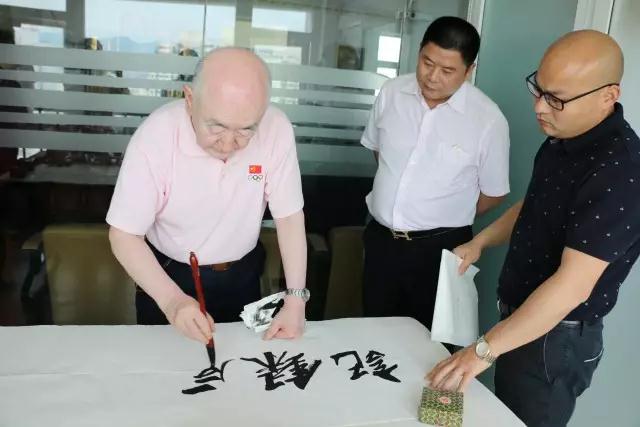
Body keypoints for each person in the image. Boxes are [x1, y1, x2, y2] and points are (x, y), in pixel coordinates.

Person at [426, 30, 640, 427]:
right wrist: (481, 241)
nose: (539, 107)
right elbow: (537, 205)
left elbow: (572, 287)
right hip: (521, 319)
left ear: (608, 96)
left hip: (556, 337)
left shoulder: (620, 171)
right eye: (538, 90)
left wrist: (481, 352)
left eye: (556, 98)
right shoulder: (563, 135)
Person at [107, 48, 309, 344]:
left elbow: (289, 216)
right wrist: (172, 301)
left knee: (243, 360)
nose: (228, 143)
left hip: (243, 274)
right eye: (216, 127)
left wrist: (295, 300)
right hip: (170, 276)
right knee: (166, 363)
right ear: (190, 99)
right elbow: (124, 234)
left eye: (246, 130)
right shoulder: (157, 135)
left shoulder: (276, 128)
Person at [361, 16, 509, 331]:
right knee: (374, 334)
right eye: (427, 63)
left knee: (433, 343)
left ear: (469, 70)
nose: (432, 77)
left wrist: (443, 212)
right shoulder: (391, 92)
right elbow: (380, 152)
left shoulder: (487, 120)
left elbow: (494, 193)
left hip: (442, 251)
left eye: (447, 70)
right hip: (382, 242)